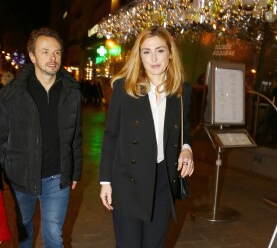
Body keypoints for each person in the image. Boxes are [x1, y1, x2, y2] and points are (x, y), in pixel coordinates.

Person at [99, 26, 194, 248]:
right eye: (146, 51)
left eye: (160, 50)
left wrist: (187, 148)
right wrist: (105, 181)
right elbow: (111, 136)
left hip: (162, 180)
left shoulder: (181, 91)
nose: (153, 58)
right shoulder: (123, 88)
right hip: (128, 179)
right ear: (139, 56)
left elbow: (184, 129)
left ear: (170, 53)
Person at [0, 27, 83, 247]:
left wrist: (75, 170)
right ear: (33, 56)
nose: (52, 58)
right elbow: (1, 135)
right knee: (25, 233)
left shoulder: (71, 92)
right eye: (45, 52)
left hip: (57, 177)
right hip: (21, 176)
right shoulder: (12, 94)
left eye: (56, 52)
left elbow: (75, 135)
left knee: (54, 235)